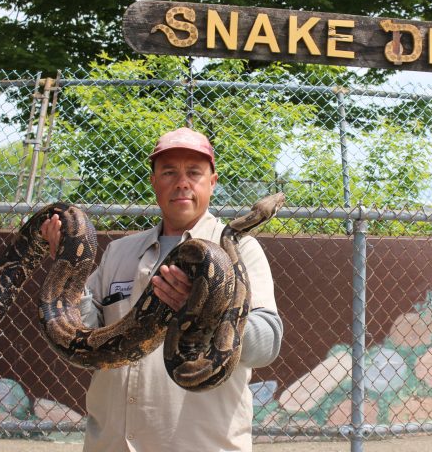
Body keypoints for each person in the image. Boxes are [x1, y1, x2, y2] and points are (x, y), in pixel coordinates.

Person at [40, 127, 283, 452]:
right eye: (169, 172)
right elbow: (85, 340)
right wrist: (68, 266)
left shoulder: (243, 251)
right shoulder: (120, 252)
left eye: (194, 172)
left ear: (212, 182)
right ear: (154, 181)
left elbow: (267, 344)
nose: (182, 182)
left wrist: (206, 306)